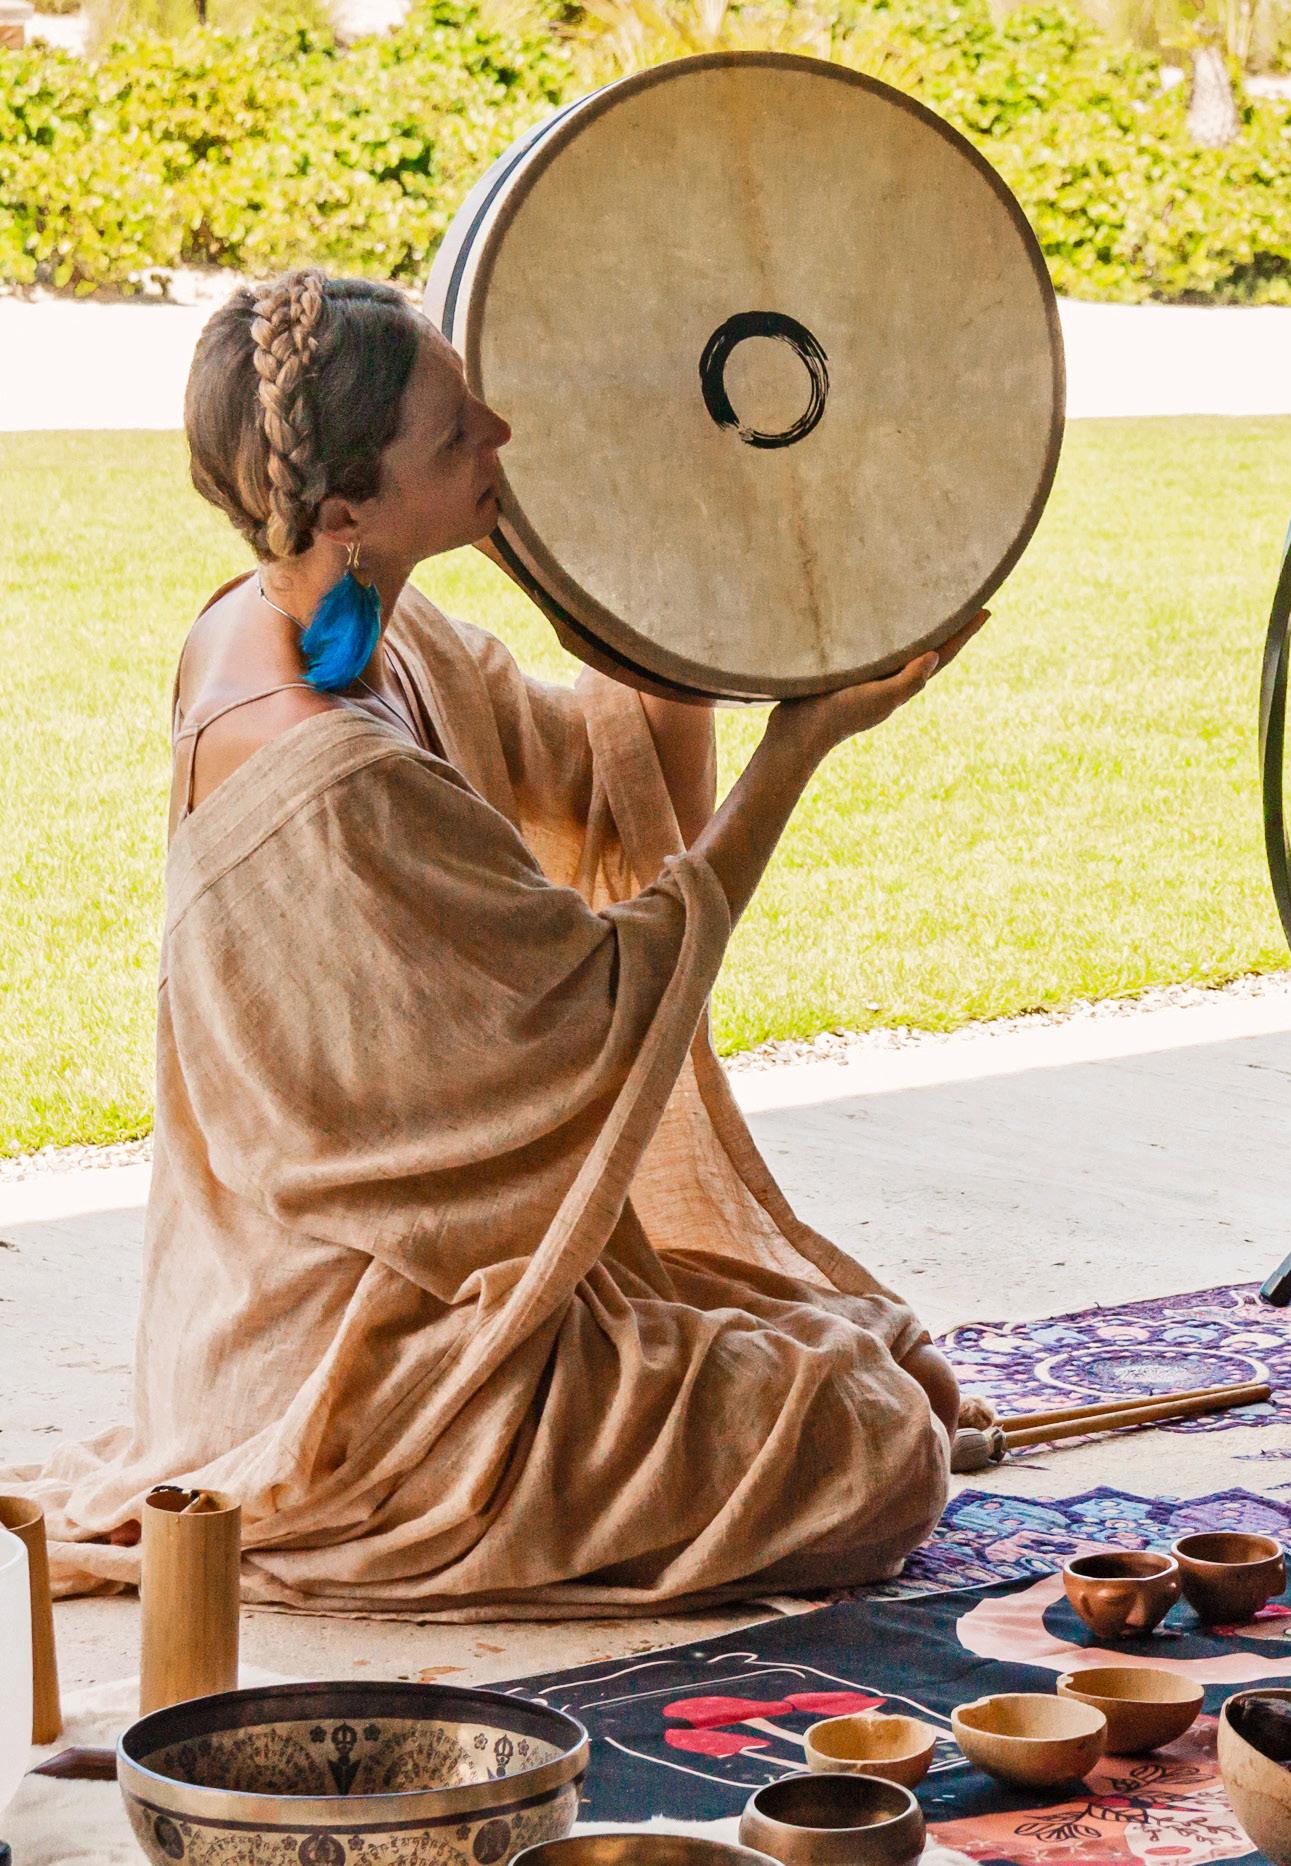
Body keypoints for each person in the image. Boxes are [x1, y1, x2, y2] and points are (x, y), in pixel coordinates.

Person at [19, 271, 991, 1614]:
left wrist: (656, 589)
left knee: (888, 1360)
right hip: (360, 1362)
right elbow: (600, 1008)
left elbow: (603, 777)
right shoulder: (336, 775)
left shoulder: (326, 619)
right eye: (454, 433)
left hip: (420, 1273)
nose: (501, 433)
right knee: (877, 1449)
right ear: (347, 509)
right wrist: (800, 745)